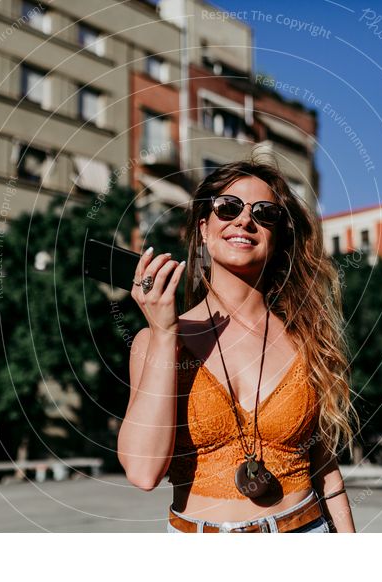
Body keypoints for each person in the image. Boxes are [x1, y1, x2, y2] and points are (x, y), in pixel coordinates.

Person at [117, 159, 358, 533]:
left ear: (276, 237)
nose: (245, 221)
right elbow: (143, 471)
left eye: (264, 214)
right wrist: (166, 334)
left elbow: (327, 473)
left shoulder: (307, 337)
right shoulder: (156, 341)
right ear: (204, 227)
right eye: (228, 208)